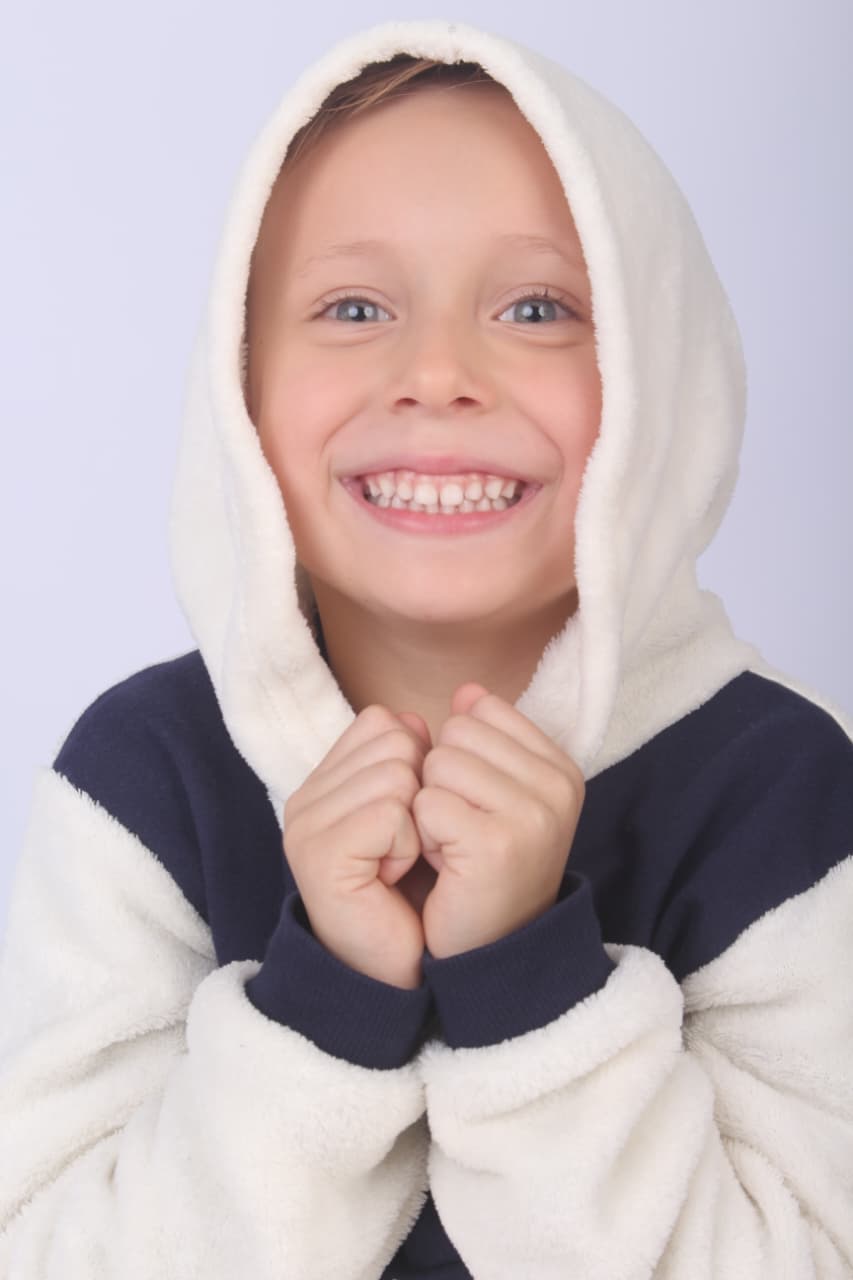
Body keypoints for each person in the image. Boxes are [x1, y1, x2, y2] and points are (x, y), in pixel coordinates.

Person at [1, 16, 851, 1279]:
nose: (438, 372)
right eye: (353, 306)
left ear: (662, 369)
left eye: (536, 307)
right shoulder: (143, 778)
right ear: (237, 384)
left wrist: (527, 978)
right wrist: (326, 997)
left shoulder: (782, 791)